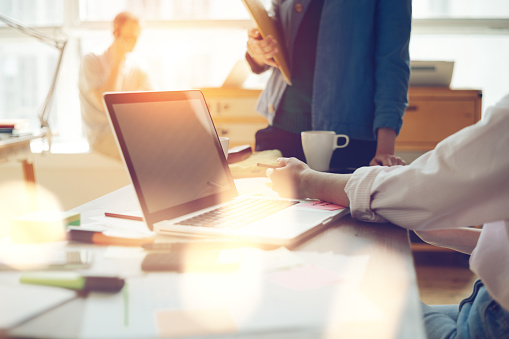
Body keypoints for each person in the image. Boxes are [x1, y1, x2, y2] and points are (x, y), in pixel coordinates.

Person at [265, 93, 509, 338]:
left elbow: (424, 185)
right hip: (488, 307)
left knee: (349, 298)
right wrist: (449, 234)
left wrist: (308, 180)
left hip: (493, 321)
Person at [245, 0, 411, 172]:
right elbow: (273, 31)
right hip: (280, 129)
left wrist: (384, 150)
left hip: (346, 142)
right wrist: (258, 49)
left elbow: (392, 65)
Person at [79, 11, 152, 160]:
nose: (133, 42)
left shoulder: (136, 65)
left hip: (129, 130)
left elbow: (152, 100)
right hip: (102, 135)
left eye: (136, 38)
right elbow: (104, 104)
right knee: (147, 152)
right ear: (116, 33)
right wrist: (117, 63)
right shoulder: (91, 60)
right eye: (129, 37)